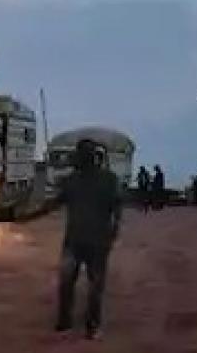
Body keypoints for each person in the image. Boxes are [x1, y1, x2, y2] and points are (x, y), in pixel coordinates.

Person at [56, 139, 123, 340]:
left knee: (69, 281)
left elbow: (55, 202)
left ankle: (67, 321)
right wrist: (114, 229)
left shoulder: (72, 180)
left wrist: (29, 215)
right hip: (95, 240)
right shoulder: (108, 179)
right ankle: (89, 325)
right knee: (93, 284)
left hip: (78, 240)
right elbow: (117, 206)